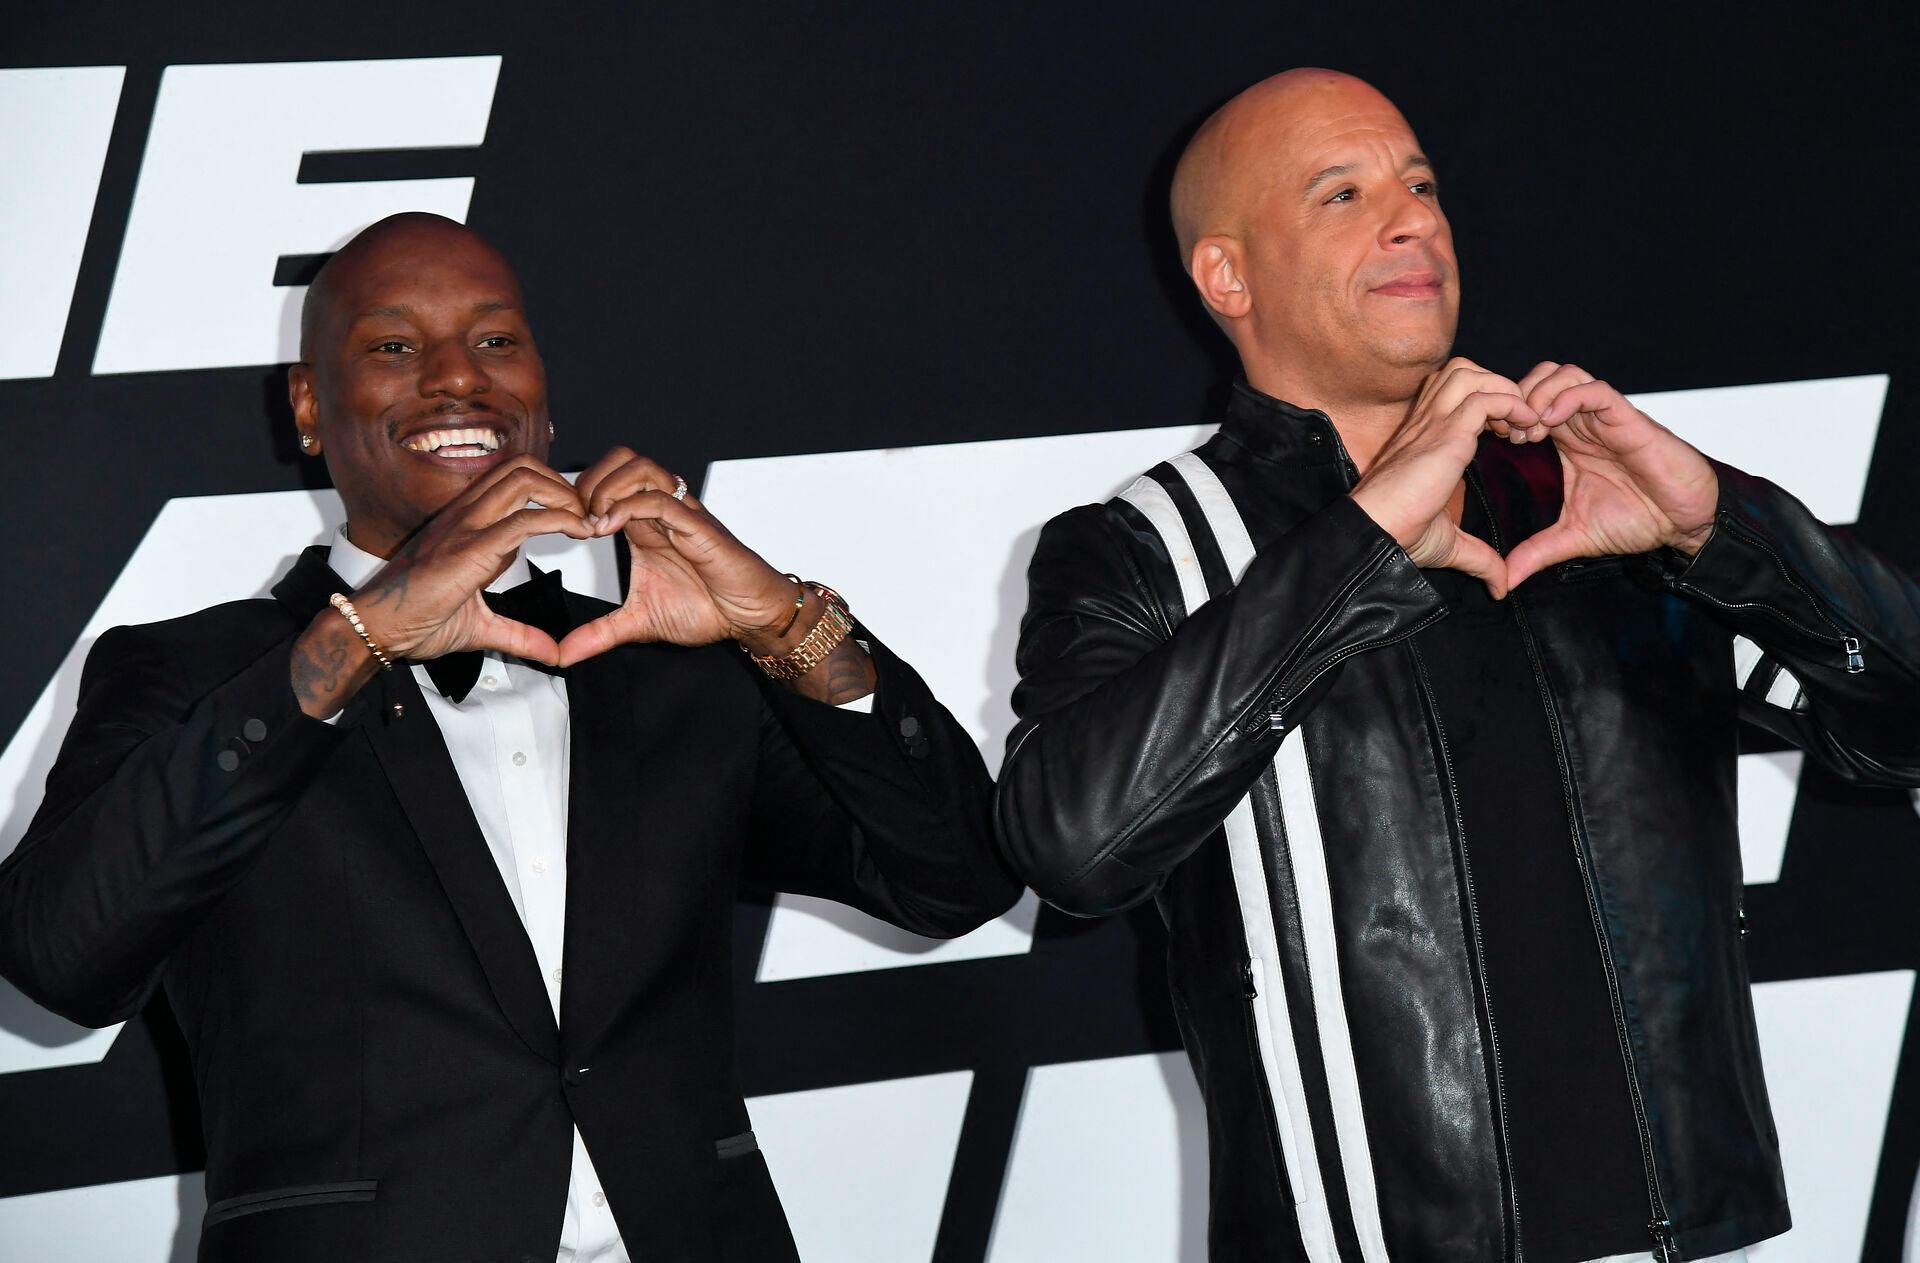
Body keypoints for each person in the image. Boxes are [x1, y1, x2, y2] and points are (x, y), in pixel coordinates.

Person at [995, 69, 1920, 1263]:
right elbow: (1068, 843)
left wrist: (1724, 533)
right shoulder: (1148, 543)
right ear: (1227, 276)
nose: (1411, 217)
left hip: (1681, 1233)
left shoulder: (1602, 496)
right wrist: (1360, 548)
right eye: (1343, 193)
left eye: (1420, 183)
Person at [0, 212, 1019, 1263]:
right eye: (395, 346)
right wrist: (358, 642)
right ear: (309, 407)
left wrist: (785, 623)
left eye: (496, 341)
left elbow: (957, 876)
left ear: (541, 390)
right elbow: (61, 960)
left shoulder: (680, 671)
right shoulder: (200, 678)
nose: (458, 379)